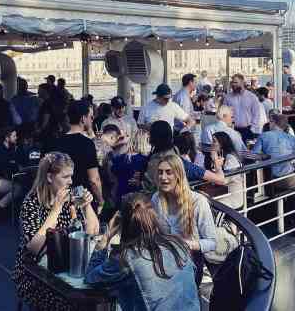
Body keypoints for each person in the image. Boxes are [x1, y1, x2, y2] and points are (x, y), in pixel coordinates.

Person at [13, 152, 98, 311]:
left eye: (71, 176)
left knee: (92, 296)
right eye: (65, 177)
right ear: (50, 177)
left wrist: (87, 206)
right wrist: (56, 209)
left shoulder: (70, 198)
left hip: (66, 263)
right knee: (67, 302)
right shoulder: (32, 203)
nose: (71, 181)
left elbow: (92, 233)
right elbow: (34, 248)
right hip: (35, 272)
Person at [85, 193, 199, 311]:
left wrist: (105, 238)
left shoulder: (126, 259)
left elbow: (91, 278)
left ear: (122, 224)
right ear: (154, 217)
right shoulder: (178, 244)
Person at [151, 153, 217, 286]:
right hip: (165, 264)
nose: (163, 177)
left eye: (169, 172)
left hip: (191, 266)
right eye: (160, 172)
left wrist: (188, 244)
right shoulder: (156, 199)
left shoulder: (198, 202)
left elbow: (212, 242)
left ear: (179, 175)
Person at [45, 100, 104, 213]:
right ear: (83, 119)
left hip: (59, 197)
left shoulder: (54, 142)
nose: (92, 120)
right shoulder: (87, 144)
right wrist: (100, 201)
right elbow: (94, 179)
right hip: (82, 199)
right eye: (91, 117)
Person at [252, 111, 295, 226]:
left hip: (268, 181)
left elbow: (254, 155)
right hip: (286, 179)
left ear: (273, 123)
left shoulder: (264, 136)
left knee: (293, 185)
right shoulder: (291, 138)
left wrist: (265, 156)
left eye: (270, 121)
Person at [144, 121, 224, 191]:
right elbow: (220, 179)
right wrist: (217, 164)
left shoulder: (151, 160)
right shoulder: (180, 163)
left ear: (152, 139)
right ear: (171, 137)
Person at [110, 129, 151, 208]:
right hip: (137, 201)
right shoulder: (144, 160)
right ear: (144, 142)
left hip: (120, 197)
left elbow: (112, 175)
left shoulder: (119, 158)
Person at [210, 131, 244, 210]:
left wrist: (214, 159)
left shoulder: (231, 158)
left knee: (208, 204)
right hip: (225, 193)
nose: (212, 144)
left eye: (214, 141)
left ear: (222, 143)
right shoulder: (224, 156)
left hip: (233, 198)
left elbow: (223, 181)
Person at [223, 74, 260, 142]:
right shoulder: (227, 97)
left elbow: (256, 114)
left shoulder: (252, 97)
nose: (233, 84)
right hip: (232, 130)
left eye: (236, 82)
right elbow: (224, 113)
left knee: (246, 152)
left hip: (247, 130)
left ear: (242, 82)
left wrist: (252, 129)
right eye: (232, 82)